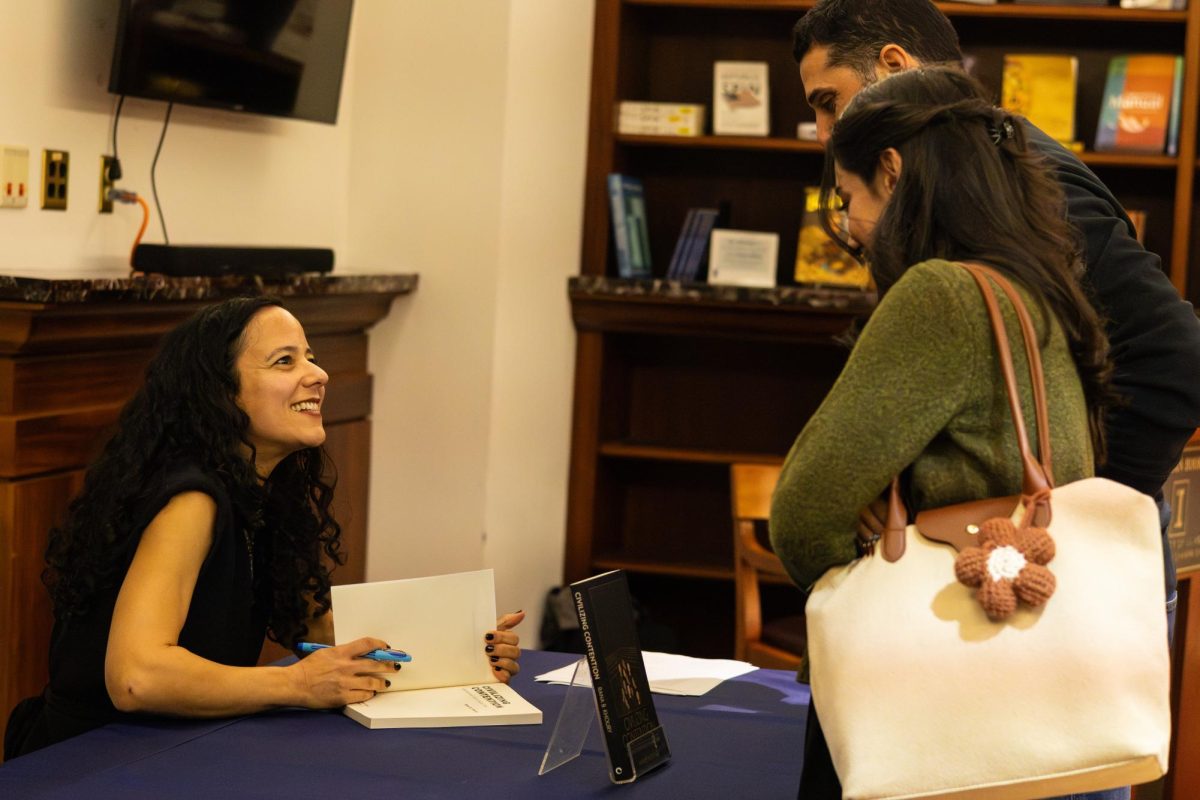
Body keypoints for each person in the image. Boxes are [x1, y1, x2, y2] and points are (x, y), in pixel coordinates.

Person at [786, 3, 1200, 795]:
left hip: (989, 621)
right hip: (1041, 629)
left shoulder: (961, 270)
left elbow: (804, 511)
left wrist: (1069, 515)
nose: (826, 132)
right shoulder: (1017, 243)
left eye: (830, 102)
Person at [3, 296, 524, 759]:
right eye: (285, 361)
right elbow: (136, 678)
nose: (317, 374)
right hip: (96, 763)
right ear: (221, 393)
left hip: (176, 746)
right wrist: (297, 684)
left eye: (311, 356)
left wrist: (463, 647)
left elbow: (316, 630)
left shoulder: (263, 488)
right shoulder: (191, 498)